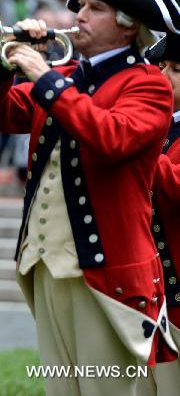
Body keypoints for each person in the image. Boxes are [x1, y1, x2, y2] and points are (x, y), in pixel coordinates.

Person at [0, 0, 180, 394]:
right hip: (46, 264)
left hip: (107, 271)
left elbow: (111, 137)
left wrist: (44, 75)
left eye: (94, 8)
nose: (78, 14)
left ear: (128, 25)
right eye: (80, 6)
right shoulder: (66, 76)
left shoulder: (148, 84)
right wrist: (3, 63)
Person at [142, 32, 180, 390]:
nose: (164, 76)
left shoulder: (151, 131)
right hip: (143, 293)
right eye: (160, 66)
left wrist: (139, 142)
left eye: (177, 69)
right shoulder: (157, 123)